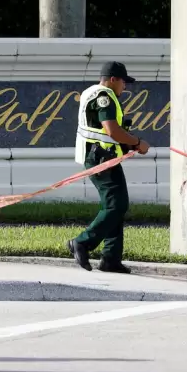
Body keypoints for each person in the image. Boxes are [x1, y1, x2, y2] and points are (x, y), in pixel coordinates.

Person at [67, 61, 149, 274]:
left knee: (116, 205)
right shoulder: (105, 97)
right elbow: (111, 130)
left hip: (103, 157)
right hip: (101, 159)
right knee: (116, 205)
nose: (125, 86)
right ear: (113, 79)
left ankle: (111, 259)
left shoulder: (91, 92)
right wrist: (137, 142)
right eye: (123, 81)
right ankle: (82, 242)